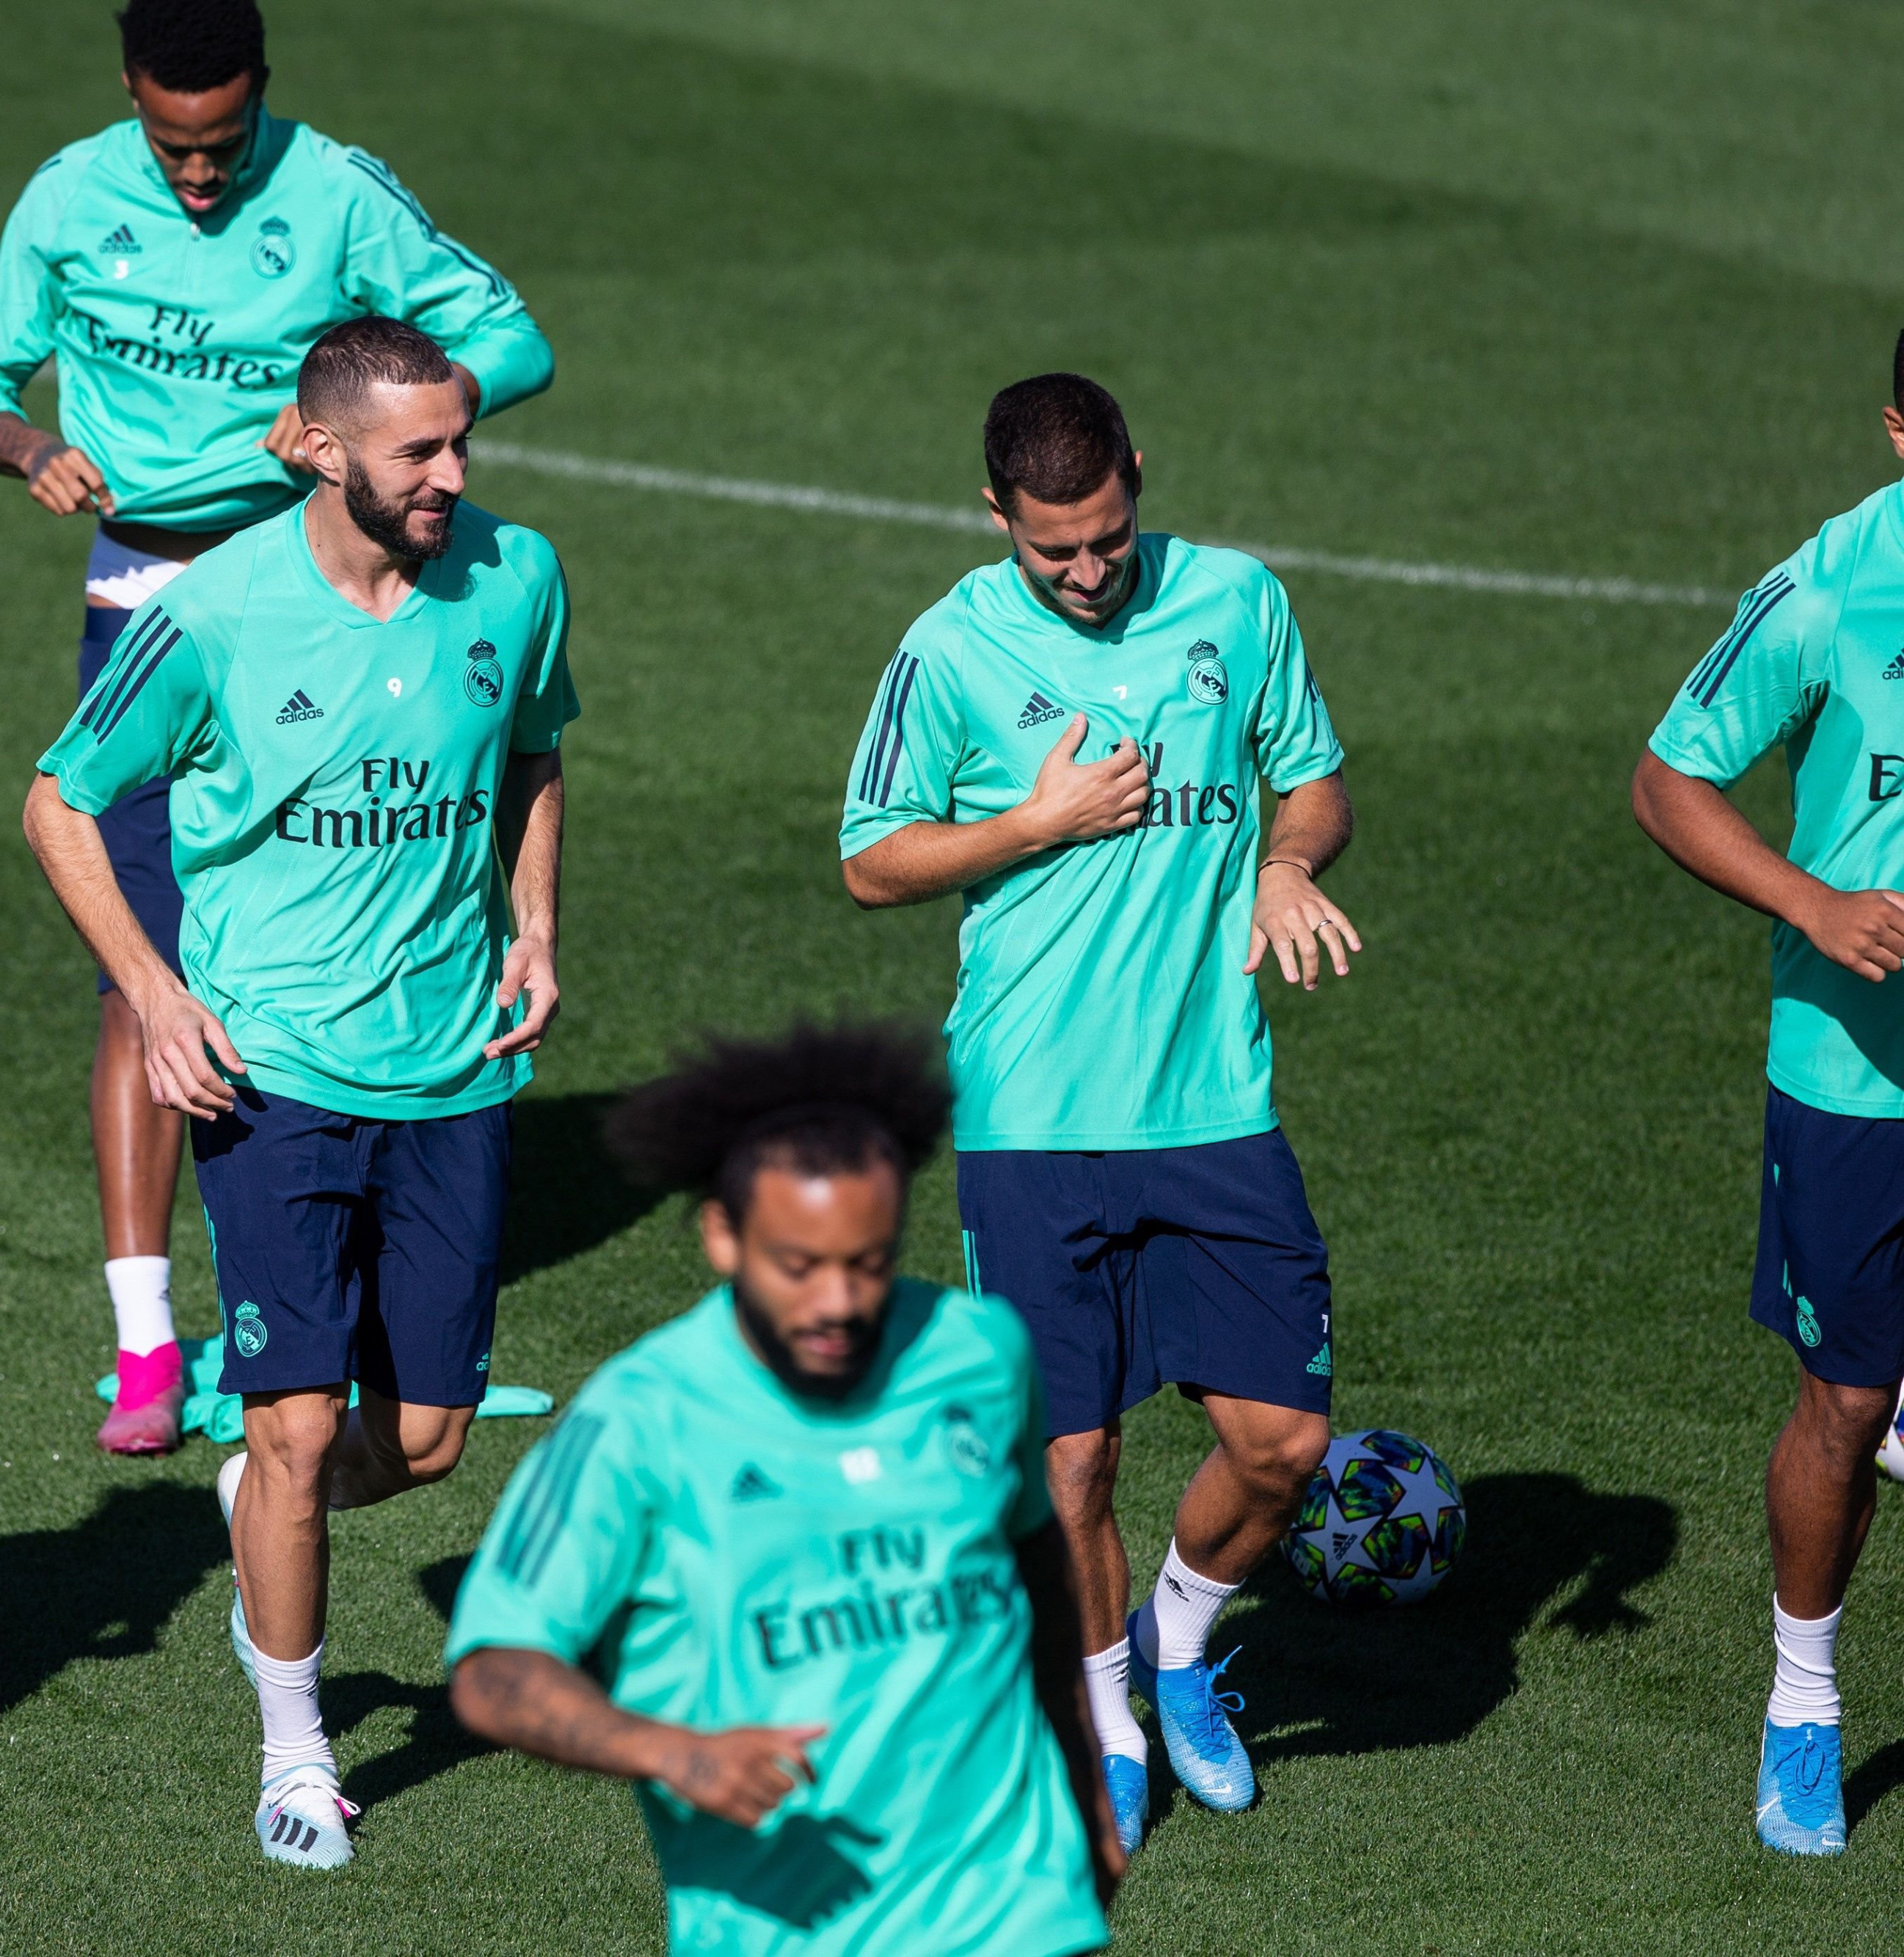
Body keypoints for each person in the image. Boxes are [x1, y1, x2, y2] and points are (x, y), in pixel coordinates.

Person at [0, 0, 553, 1455]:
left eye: (221, 148)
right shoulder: (66, 196)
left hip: (318, 587)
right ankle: (149, 1340)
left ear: (262, 99)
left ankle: (330, 1328)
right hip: (153, 599)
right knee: (139, 973)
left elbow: (510, 340)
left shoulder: (338, 188)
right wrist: (27, 444)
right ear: (127, 101)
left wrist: (349, 422)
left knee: (358, 895)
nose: (199, 176)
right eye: (171, 146)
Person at [22, 314, 572, 1867]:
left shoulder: (515, 577)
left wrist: (532, 919)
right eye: (421, 450)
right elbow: (61, 802)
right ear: (322, 450)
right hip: (273, 1073)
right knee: (293, 1423)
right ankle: (295, 1750)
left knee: (429, 1436)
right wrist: (153, 990)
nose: (453, 473)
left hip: (452, 1065)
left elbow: (531, 751)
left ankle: (268, 1506)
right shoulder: (215, 614)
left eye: (463, 441)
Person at [836, 373, 1360, 1847]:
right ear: (994, 510)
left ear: (1134, 476)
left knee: (1280, 1442)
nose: (1082, 571)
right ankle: (1097, 1700)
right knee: (1071, 1456)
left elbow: (1310, 782)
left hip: (1209, 1102)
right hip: (1030, 1112)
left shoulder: (1235, 601)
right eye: (1050, 547)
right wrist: (1028, 825)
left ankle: (1178, 1642)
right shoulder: (946, 649)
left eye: (1104, 536)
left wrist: (1284, 863)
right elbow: (869, 860)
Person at [445, 1022, 1120, 1955]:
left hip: (1009, 1906)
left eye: (868, 1263)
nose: (838, 1303)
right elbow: (494, 1669)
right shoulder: (639, 1422)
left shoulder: (978, 1352)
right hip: (782, 1928)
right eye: (798, 1267)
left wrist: (1084, 1773)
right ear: (723, 1236)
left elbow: (1034, 1561)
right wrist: (671, 1752)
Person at [1630, 334, 1904, 1858]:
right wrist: (1808, 904)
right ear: (1895, 430)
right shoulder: (1826, 586)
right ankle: (1800, 1698)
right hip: (1854, 1074)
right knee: (1843, 1399)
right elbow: (1669, 778)